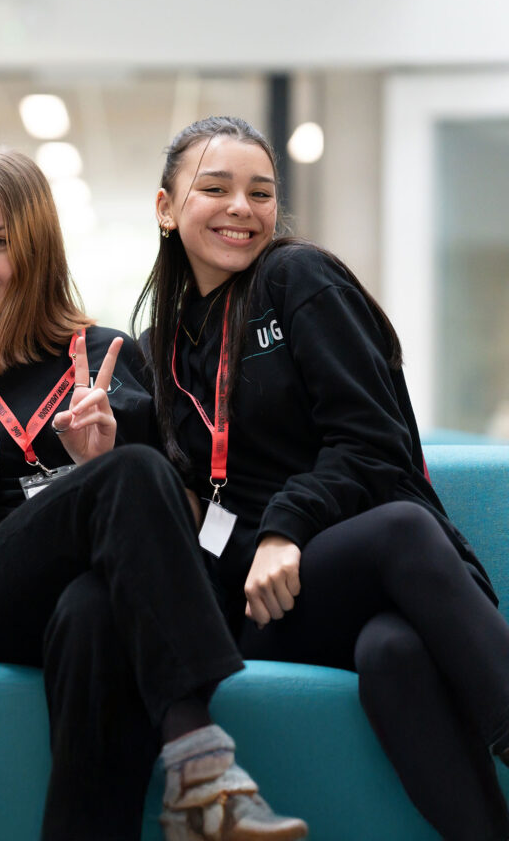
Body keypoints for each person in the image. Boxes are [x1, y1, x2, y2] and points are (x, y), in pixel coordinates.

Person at [0, 145, 307, 841]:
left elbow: (185, 527)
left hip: (92, 595)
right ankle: (202, 765)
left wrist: (97, 463)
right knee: (132, 476)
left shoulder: (107, 359)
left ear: (38, 253)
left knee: (95, 606)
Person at [134, 114, 509, 841]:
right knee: (398, 549)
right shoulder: (161, 347)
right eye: (216, 188)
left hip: (378, 570)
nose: (243, 208)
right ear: (166, 208)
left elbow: (373, 444)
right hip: (261, 606)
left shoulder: (294, 277)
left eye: (261, 192)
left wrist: (286, 528)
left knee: (392, 650)